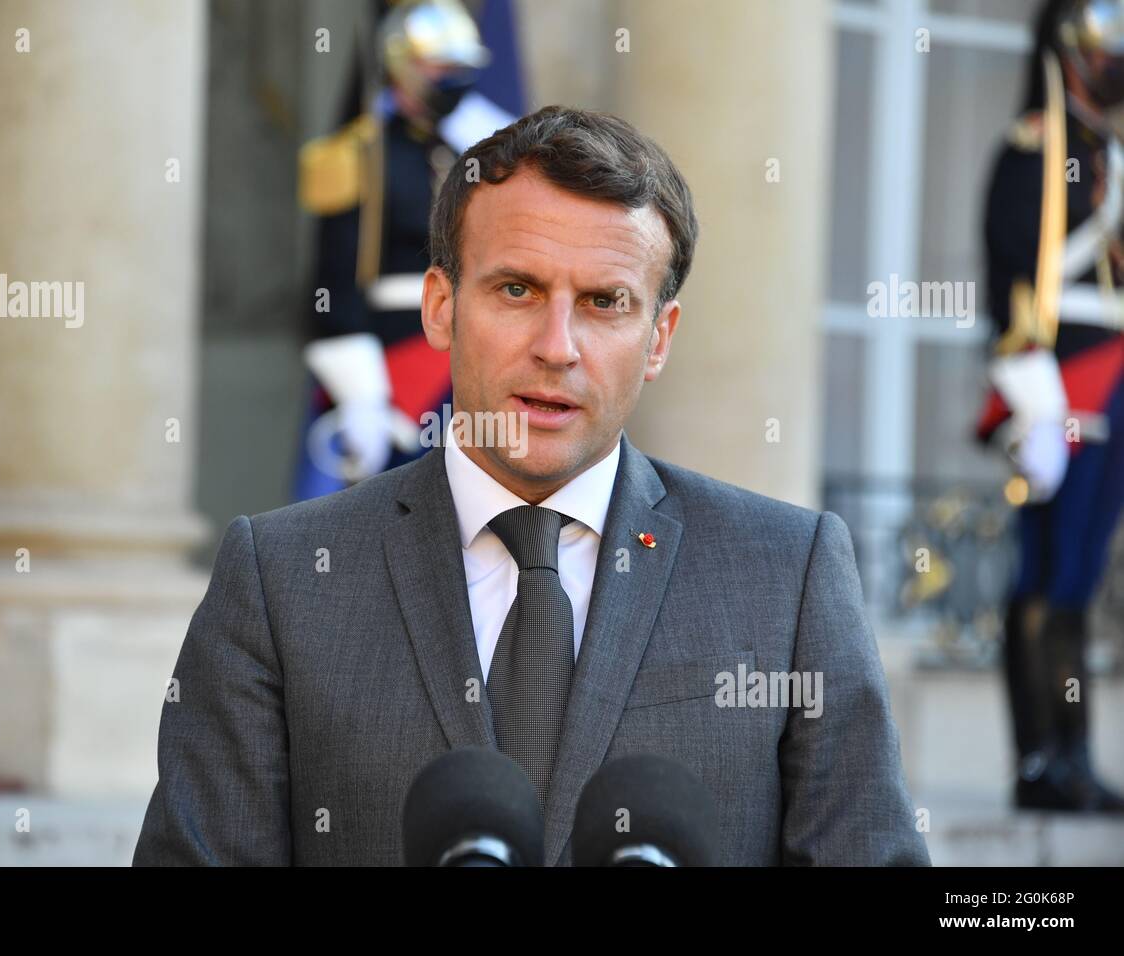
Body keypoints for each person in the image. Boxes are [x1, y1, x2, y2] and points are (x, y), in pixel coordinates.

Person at [134, 106, 930, 866]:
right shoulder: (280, 580)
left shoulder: (785, 575)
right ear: (440, 307)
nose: (558, 346)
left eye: (605, 302)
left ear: (659, 338)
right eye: (517, 289)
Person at [975, 0, 1124, 813]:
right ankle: (1038, 762)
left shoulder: (1107, 149)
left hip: (1114, 372)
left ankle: (1074, 756)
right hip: (1063, 375)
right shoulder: (1035, 145)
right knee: (1046, 569)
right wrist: (1029, 386)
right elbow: (1011, 274)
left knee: (1080, 576)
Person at [292, 0, 516, 498]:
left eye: (460, 67)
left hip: (477, 348)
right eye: (440, 67)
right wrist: (362, 394)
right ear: (402, 66)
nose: (453, 79)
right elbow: (335, 278)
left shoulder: (478, 152)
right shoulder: (359, 155)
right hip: (393, 363)